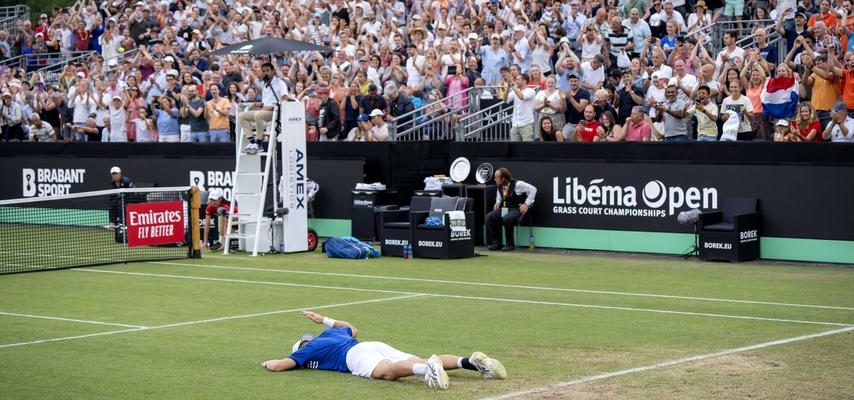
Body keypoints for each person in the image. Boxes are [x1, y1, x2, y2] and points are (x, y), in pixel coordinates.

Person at [261, 311, 506, 391]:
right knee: (419, 358)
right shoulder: (333, 333)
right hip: (370, 345)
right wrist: (323, 319)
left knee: (386, 372)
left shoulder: (309, 350)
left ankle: (426, 371)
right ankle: (471, 362)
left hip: (355, 357)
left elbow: (280, 365)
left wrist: (266, 363)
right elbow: (353, 328)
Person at [238, 63, 289, 153]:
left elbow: (285, 98)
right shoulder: (265, 84)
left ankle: (259, 143)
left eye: (268, 71)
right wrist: (257, 104)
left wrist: (273, 107)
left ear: (273, 71)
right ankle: (253, 142)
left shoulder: (280, 82)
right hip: (263, 111)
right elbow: (265, 101)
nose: (266, 73)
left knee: (258, 115)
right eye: (264, 71)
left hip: (275, 112)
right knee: (242, 116)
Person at [486, 167, 537, 251]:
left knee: (507, 219)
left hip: (517, 209)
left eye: (496, 178)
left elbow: (533, 189)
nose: (495, 179)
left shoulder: (518, 184)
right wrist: (498, 202)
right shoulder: (499, 186)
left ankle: (510, 244)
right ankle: (496, 243)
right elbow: (499, 194)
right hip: (506, 208)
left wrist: (526, 204)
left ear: (503, 178)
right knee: (489, 217)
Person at [506, 73, 536, 142]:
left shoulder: (531, 91)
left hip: (526, 124)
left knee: (527, 149)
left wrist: (513, 86)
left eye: (518, 80)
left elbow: (522, 97)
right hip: (515, 124)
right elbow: (505, 100)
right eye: (516, 80)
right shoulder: (515, 90)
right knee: (514, 148)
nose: (516, 81)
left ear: (525, 81)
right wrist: (508, 88)